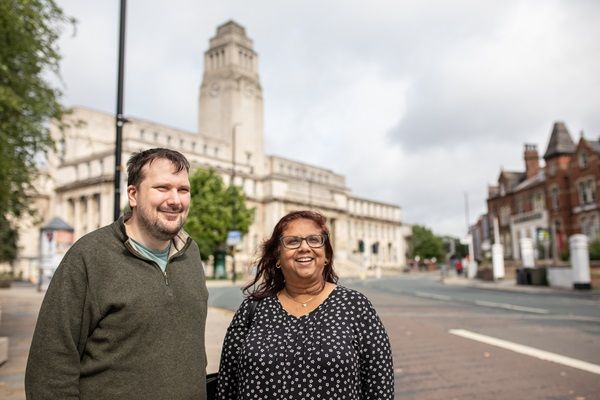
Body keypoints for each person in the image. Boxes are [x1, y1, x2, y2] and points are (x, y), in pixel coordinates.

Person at [25, 148, 209, 400]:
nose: (175, 200)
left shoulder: (191, 253)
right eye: (162, 188)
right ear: (133, 194)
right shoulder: (89, 256)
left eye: (183, 190)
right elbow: (50, 367)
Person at [216, 210, 394, 400]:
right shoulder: (253, 308)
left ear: (326, 255)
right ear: (277, 257)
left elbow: (379, 388)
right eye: (292, 241)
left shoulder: (356, 306)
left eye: (314, 240)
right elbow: (227, 385)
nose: (304, 247)